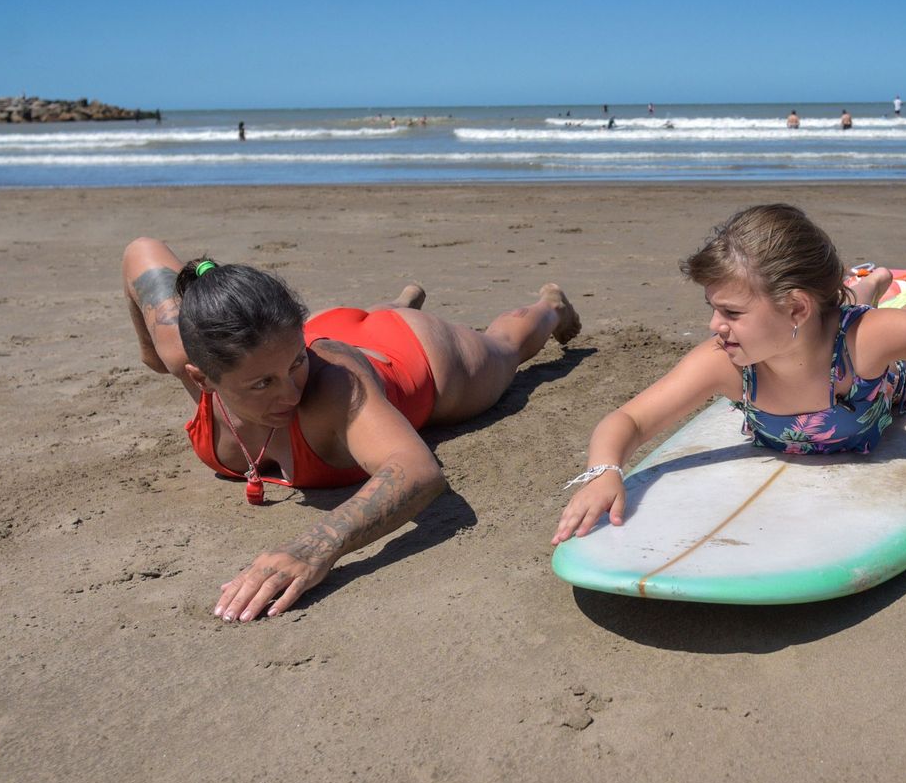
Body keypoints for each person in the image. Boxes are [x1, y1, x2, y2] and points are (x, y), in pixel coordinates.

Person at [122, 238, 582, 621]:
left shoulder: (332, 385)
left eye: (296, 365)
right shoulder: (184, 353)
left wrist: (314, 547)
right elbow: (138, 251)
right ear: (202, 378)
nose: (290, 393)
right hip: (331, 331)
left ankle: (550, 308)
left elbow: (417, 470)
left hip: (414, 354)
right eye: (263, 383)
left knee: (504, 348)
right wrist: (151, 355)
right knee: (333, 342)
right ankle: (392, 303)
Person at [553, 203, 906, 544]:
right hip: (816, 326)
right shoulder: (722, 363)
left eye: (731, 313)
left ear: (795, 306)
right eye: (712, 309)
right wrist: (604, 471)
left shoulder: (867, 343)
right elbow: (629, 421)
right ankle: (865, 284)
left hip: (889, 382)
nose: (713, 326)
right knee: (854, 309)